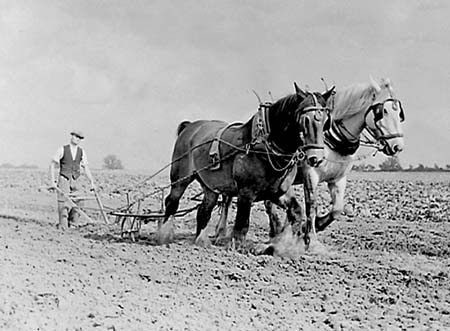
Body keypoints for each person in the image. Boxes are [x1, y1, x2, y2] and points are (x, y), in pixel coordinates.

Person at [49, 130, 96, 230]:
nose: (77, 139)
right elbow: (53, 164)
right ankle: (63, 224)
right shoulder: (63, 149)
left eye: (79, 138)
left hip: (76, 178)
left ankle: (73, 223)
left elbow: (86, 167)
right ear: (72, 137)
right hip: (64, 178)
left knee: (79, 200)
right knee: (63, 201)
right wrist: (52, 181)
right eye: (76, 136)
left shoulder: (81, 152)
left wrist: (91, 181)